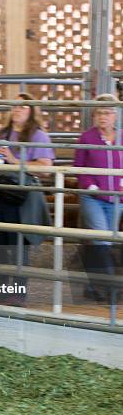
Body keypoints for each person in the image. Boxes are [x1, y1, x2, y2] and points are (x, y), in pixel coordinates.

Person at [0, 92, 55, 304]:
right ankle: (0, 289)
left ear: (31, 111)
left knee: (19, 246)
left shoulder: (38, 135)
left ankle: (18, 293)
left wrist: (13, 160)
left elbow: (45, 167)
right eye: (14, 106)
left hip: (21, 199)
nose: (17, 110)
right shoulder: (0, 133)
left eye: (22, 106)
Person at [73, 93, 123, 301]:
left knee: (105, 241)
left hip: (118, 197)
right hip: (93, 197)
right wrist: (90, 186)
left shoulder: (121, 136)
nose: (103, 117)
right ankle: (111, 287)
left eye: (108, 112)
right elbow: (79, 168)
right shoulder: (86, 138)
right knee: (102, 238)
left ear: (115, 115)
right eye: (99, 113)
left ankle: (93, 286)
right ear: (94, 115)